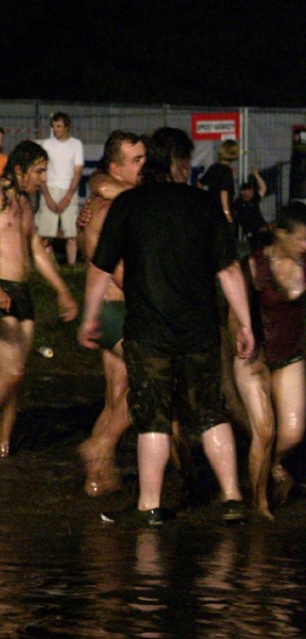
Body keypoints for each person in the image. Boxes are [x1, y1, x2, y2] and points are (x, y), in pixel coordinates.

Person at [79, 127, 253, 525]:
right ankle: (231, 499)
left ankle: (151, 507)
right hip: (200, 329)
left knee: (153, 420)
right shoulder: (204, 204)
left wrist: (90, 316)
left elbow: (100, 268)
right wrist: (244, 322)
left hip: (148, 330)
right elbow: (227, 270)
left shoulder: (130, 205)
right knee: (211, 413)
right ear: (180, 164)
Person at [0, 141, 78, 457]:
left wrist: (62, 290)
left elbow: (36, 249)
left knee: (16, 381)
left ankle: (1, 448)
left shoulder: (25, 203)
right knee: (11, 372)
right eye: (39, 171)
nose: (43, 179)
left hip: (21, 292)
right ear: (19, 169)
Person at [76, 131, 146, 496]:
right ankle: (98, 448)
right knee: (151, 378)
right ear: (115, 166)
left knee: (116, 395)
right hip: (113, 308)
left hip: (107, 308)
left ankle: (97, 477)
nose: (143, 168)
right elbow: (114, 268)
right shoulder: (110, 207)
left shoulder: (106, 199)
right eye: (136, 161)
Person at [231, 202, 305, 520]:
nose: (305, 246)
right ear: (280, 232)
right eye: (301, 239)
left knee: (292, 432)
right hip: (253, 354)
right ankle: (259, 503)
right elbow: (235, 313)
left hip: (290, 355)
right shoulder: (253, 265)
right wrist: (243, 337)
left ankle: (269, 465)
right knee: (264, 430)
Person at [36, 112, 84, 266]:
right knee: (45, 234)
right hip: (50, 189)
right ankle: (48, 266)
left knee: (71, 235)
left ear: (66, 127)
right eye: (54, 126)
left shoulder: (76, 144)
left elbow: (78, 172)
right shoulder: (47, 145)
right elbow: (41, 171)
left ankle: (71, 266)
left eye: (58, 126)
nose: (55, 129)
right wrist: (48, 197)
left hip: (68, 190)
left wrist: (68, 196)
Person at [199, 139, 239, 221]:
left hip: (211, 209)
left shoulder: (214, 167)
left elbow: (200, 183)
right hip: (222, 213)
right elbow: (224, 193)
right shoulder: (227, 171)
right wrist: (227, 215)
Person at [231, 169, 270, 252]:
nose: (251, 192)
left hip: (262, 228)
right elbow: (231, 194)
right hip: (252, 233)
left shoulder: (254, 200)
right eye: (248, 191)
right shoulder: (239, 203)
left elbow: (263, 188)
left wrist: (257, 175)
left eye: (251, 190)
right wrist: (231, 177)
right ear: (243, 192)